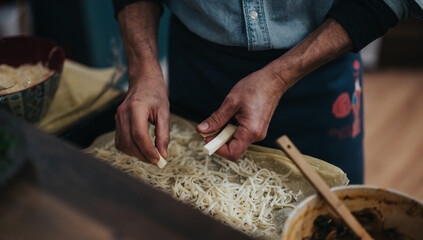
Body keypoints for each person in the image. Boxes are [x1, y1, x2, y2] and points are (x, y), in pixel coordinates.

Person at [112, 0, 423, 184]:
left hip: (320, 69)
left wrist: (278, 77)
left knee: (330, 215)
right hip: (198, 65)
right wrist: (143, 71)